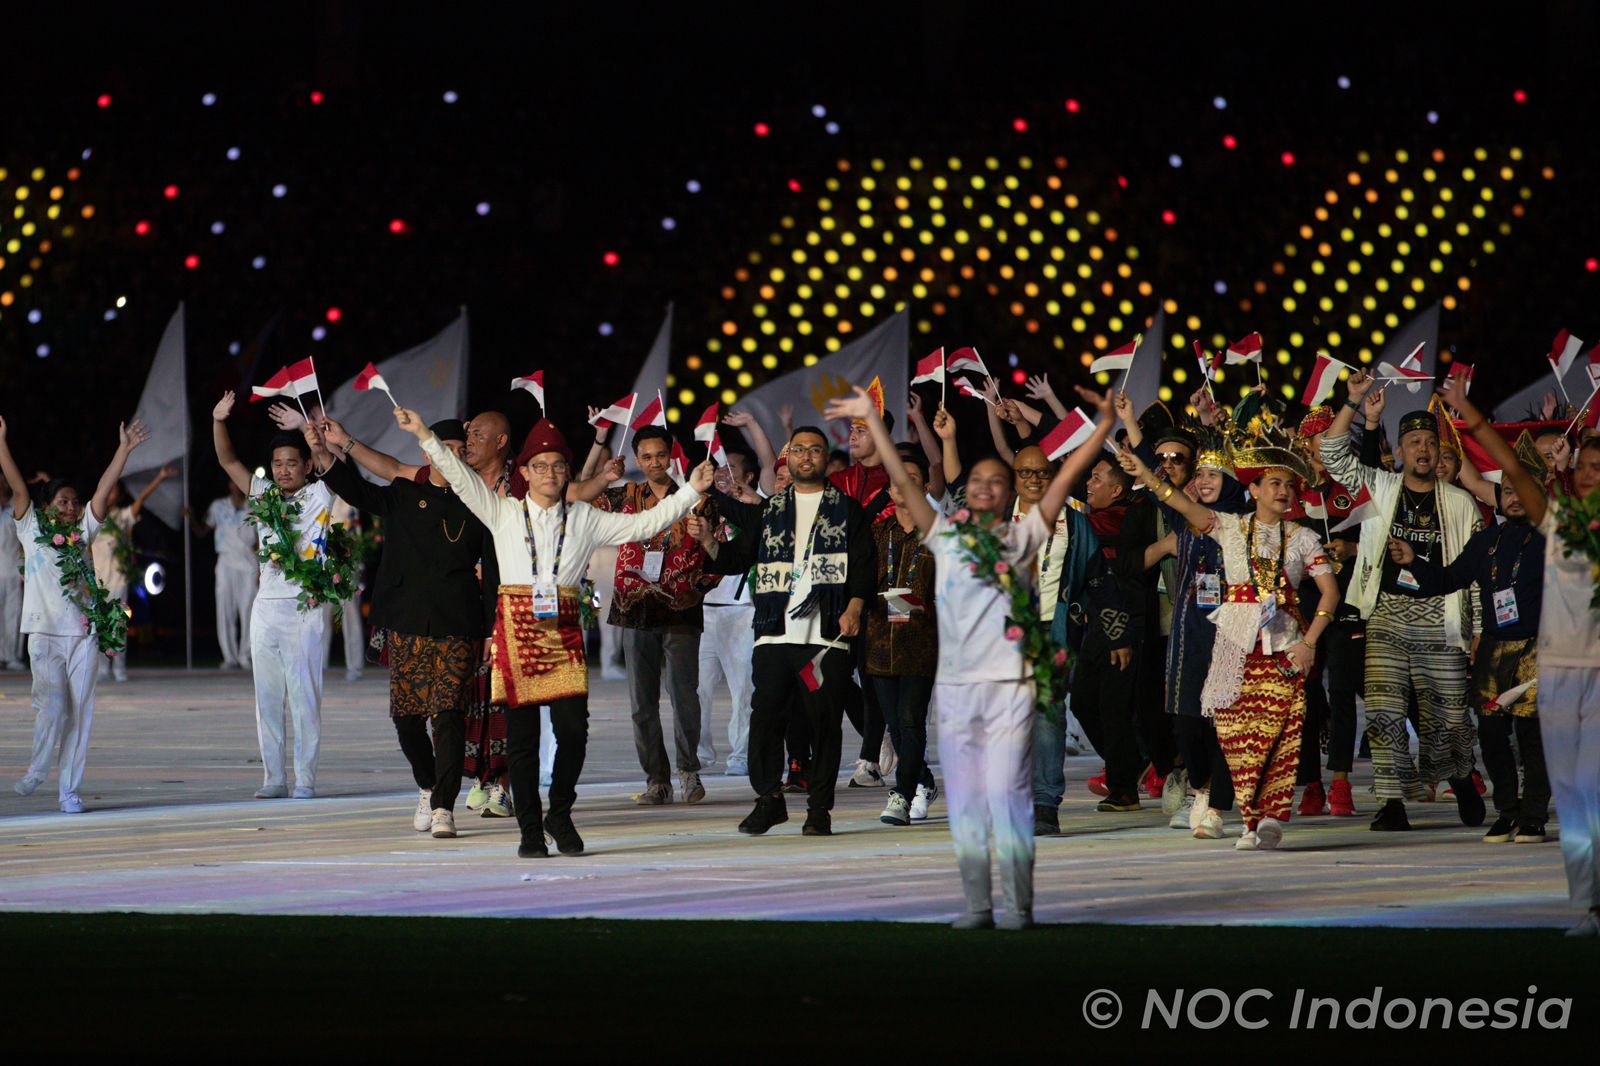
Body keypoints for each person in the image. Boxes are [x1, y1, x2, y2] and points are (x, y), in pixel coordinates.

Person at [828, 382, 1115, 929]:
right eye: (976, 480)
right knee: (966, 805)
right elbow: (905, 485)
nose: (984, 486)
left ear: (1009, 494)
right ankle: (979, 904)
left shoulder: (1025, 536)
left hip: (1009, 687)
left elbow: (1065, 479)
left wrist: (1101, 427)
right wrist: (876, 423)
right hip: (958, 691)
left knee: (1009, 797)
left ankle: (1019, 904)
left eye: (995, 481)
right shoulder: (946, 537)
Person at [397, 408, 712, 858]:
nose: (550, 473)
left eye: (559, 466)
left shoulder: (584, 517)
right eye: (540, 466)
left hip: (562, 632)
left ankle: (559, 813)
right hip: (516, 630)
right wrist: (424, 434)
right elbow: (461, 477)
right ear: (524, 472)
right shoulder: (502, 511)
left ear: (567, 473)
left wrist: (691, 491)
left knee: (574, 733)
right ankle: (530, 829)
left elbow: (645, 524)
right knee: (522, 740)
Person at [1117, 436, 1340, 851]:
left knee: (1280, 735)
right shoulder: (1230, 527)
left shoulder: (1304, 538)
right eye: (1274, 483)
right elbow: (1180, 504)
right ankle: (1246, 821)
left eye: (1289, 485)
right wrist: (1147, 474)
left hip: (1285, 647)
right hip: (1235, 646)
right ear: (1253, 489)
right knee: (1235, 737)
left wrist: (1309, 643)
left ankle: (1270, 815)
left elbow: (1330, 593)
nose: (1283, 491)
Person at [1443, 378, 1600, 936]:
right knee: (1575, 795)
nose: (1591, 474)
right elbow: (1512, 466)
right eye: (1586, 466)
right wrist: (1468, 413)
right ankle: (1589, 904)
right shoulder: (1557, 523)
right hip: (1560, 675)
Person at [1319, 370, 1484, 832]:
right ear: (1403, 449)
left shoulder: (1460, 503)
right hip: (1387, 611)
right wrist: (1352, 402)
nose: (1422, 450)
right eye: (1413, 442)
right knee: (1384, 708)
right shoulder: (1381, 486)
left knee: (1448, 713)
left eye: (1429, 442)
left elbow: (1474, 576)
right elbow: (1332, 454)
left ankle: (1461, 776)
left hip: (1441, 614)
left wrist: (1478, 631)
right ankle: (1392, 801)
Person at [312, 417, 487, 839]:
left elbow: (496, 566)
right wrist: (325, 452)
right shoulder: (406, 493)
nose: (453, 456)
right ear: (428, 451)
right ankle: (428, 785)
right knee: (408, 720)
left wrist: (490, 628)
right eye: (444, 448)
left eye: (460, 450)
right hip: (407, 622)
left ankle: (443, 806)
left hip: (458, 623)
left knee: (449, 715)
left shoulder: (482, 503)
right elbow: (359, 490)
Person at [700, 424, 875, 838]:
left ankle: (819, 809)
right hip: (774, 632)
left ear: (825, 459)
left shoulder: (846, 509)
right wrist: (708, 540)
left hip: (825, 635)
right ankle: (769, 799)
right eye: (799, 450)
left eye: (814, 450)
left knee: (824, 724)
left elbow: (865, 565)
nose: (806, 456)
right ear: (789, 457)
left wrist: (854, 607)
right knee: (764, 719)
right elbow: (737, 557)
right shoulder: (771, 510)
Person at [1386, 440, 1549, 844]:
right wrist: (1413, 561)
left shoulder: (1554, 541)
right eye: (1507, 491)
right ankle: (1507, 811)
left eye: (1522, 490)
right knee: (1491, 736)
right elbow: (1446, 580)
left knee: (1532, 737)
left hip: (1539, 649)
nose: (1514, 498)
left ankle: (1533, 816)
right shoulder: (1486, 542)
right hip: (1493, 650)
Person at [3, 415, 151, 812]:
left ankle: (69, 791)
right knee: (50, 708)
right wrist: (1, 442)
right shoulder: (30, 527)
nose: (70, 507)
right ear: (47, 507)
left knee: (80, 713)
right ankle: (37, 769)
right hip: (43, 635)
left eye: (73, 502)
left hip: (83, 634)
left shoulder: (84, 530)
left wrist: (124, 449)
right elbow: (18, 487)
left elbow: (103, 490)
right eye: (62, 502)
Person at [213, 391, 334, 800]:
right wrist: (218, 421)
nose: (283, 470)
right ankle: (273, 778)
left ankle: (305, 779)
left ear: (307, 465)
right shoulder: (264, 496)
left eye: (292, 463)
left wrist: (307, 428)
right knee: (266, 698)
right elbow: (228, 461)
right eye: (278, 463)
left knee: (304, 697)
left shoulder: (320, 495)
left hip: (305, 608)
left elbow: (336, 462)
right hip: (265, 608)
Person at [592, 424, 719, 805]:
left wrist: (695, 589)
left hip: (681, 611)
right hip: (634, 609)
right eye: (646, 457)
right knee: (641, 704)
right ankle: (657, 780)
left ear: (671, 454)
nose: (654, 463)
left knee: (684, 697)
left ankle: (689, 771)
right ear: (636, 459)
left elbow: (720, 554)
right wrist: (602, 465)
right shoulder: (626, 496)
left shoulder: (697, 499)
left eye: (660, 455)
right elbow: (581, 499)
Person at [1139, 433, 1249, 839]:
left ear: (1231, 481)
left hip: (1230, 629)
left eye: (1213, 475)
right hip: (1188, 630)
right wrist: (1133, 432)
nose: (1203, 481)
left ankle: (1216, 804)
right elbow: (1164, 490)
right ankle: (1200, 785)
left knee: (1223, 722)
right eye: (1200, 474)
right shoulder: (1183, 519)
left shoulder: (1243, 523)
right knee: (1186, 722)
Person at [690, 460, 759, 777]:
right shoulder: (701, 508)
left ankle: (741, 755)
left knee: (742, 689)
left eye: (731, 469)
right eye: (719, 468)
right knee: (697, 689)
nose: (722, 474)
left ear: (748, 477)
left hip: (741, 610)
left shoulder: (754, 510)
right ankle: (699, 753)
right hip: (703, 610)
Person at [90, 466, 178, 682]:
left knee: (118, 625)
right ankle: (103, 668)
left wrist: (159, 477)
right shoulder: (91, 518)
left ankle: (119, 668)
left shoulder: (123, 517)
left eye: (114, 491)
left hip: (118, 579)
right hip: (97, 581)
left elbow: (141, 500)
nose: (110, 494)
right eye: (107, 490)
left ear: (119, 495)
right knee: (100, 626)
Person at [192, 483, 259, 670]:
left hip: (248, 563)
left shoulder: (255, 507)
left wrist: (262, 569)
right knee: (225, 609)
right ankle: (229, 657)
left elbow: (260, 539)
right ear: (229, 484)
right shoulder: (218, 506)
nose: (237, 485)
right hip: (226, 562)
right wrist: (190, 517)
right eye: (232, 481)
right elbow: (202, 531)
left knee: (249, 610)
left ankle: (245, 655)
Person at [320, 491, 366, 682]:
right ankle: (318, 664)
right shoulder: (318, 494)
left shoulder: (349, 499)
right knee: (319, 616)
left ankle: (355, 666)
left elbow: (354, 533)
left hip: (346, 563)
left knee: (350, 615)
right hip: (322, 563)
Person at [0, 478, 25, 671]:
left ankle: (12, 656)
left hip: (13, 570)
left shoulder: (16, 508)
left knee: (13, 614)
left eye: (4, 480)